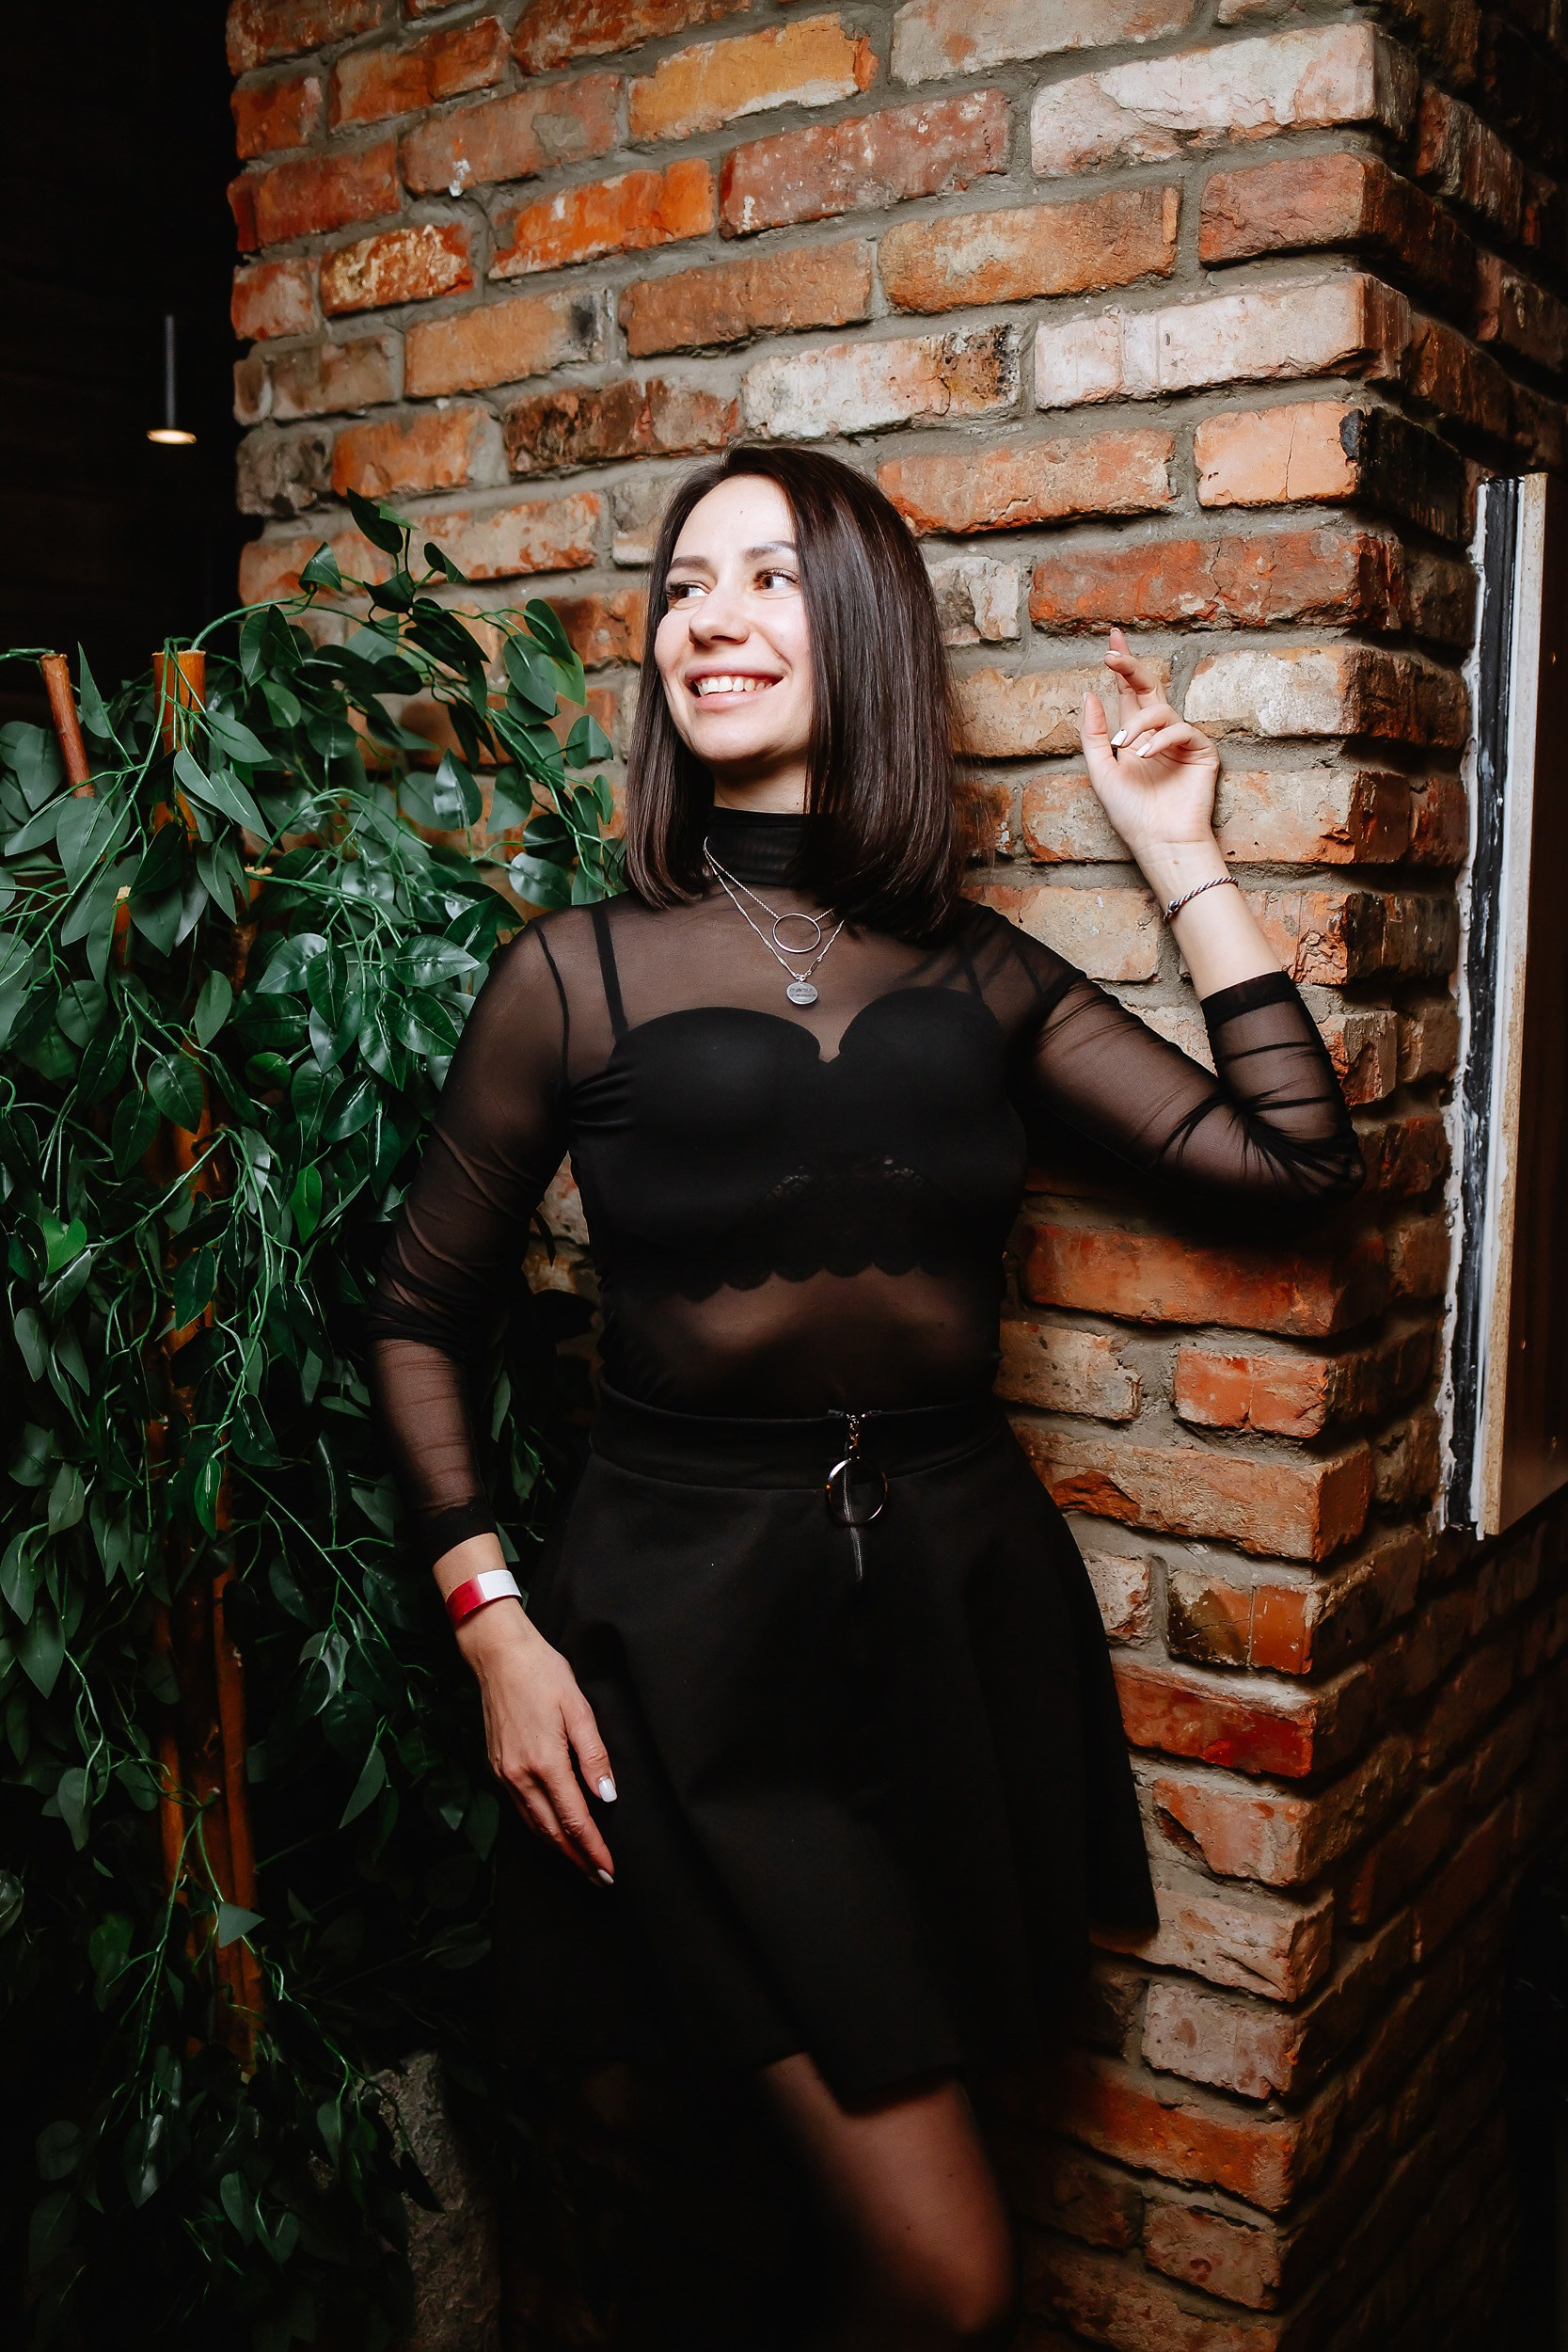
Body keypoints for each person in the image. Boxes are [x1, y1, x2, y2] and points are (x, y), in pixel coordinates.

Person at [365, 448, 1363, 2348]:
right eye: (684, 586)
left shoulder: (978, 974)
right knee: (945, 2268)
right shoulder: (573, 975)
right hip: (686, 1650)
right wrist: (490, 1619)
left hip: (952, 1633)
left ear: (866, 631)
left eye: (766, 577)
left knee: (828, 2219)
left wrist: (1181, 853)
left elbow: (1292, 1164)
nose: (709, 618)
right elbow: (419, 1315)